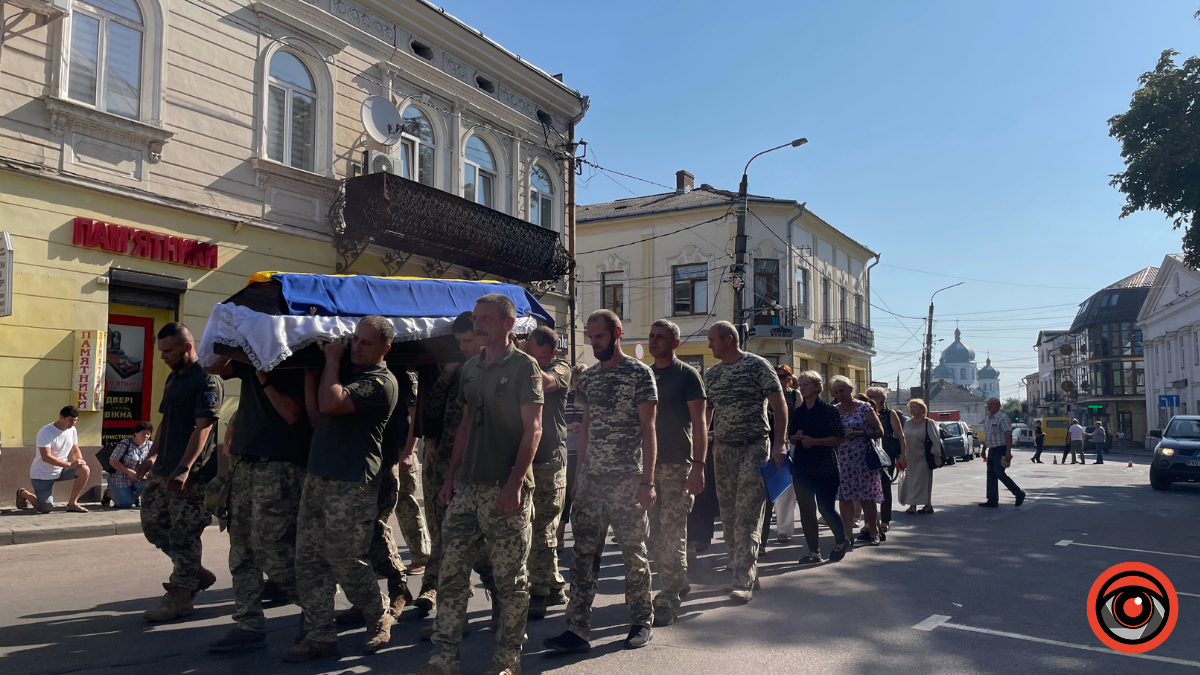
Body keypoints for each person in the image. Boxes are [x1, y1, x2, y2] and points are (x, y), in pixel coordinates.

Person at [416, 295, 543, 675]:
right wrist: (451, 478)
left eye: (486, 318)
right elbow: (465, 426)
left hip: (504, 487)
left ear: (509, 323)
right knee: (451, 573)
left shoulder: (525, 367)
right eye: (476, 318)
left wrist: (514, 483)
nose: (478, 324)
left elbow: (533, 430)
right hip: (467, 487)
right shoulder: (471, 368)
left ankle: (507, 659)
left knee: (510, 580)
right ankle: (444, 658)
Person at [543, 309, 657, 655]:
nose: (594, 343)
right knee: (583, 555)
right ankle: (576, 629)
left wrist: (647, 481)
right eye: (591, 338)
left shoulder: (640, 374)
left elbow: (649, 428)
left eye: (600, 337)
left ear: (617, 334)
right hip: (592, 481)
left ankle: (641, 620)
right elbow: (587, 428)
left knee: (633, 553)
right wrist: (579, 478)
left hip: (627, 480)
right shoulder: (589, 378)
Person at [286, 316, 399, 662]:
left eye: (366, 342)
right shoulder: (347, 376)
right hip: (319, 476)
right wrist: (312, 375)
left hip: (352, 483)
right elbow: (318, 415)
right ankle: (320, 633)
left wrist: (332, 360)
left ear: (385, 348)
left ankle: (379, 615)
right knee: (309, 560)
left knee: (345, 560)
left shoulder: (381, 382)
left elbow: (332, 403)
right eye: (355, 340)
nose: (357, 347)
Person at [202, 356, 309, 653]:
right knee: (241, 551)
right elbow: (212, 365)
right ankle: (249, 623)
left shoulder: (294, 357)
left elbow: (293, 413)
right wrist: (230, 338)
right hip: (245, 465)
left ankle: (316, 611)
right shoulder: (250, 355)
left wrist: (264, 376)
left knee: (272, 549)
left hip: (279, 465)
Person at [139, 323, 223, 623]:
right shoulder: (174, 377)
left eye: (168, 351)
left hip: (191, 475)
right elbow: (165, 420)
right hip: (163, 468)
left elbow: (204, 428)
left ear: (187, 347)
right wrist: (152, 455)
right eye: (161, 351)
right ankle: (194, 572)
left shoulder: (207, 379)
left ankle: (181, 597)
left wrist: (185, 469)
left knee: (184, 534)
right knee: (152, 525)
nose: (163, 357)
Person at [706, 321, 787, 603]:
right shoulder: (712, 374)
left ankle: (742, 582)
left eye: (712, 339)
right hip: (722, 450)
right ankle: (746, 571)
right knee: (728, 516)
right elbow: (707, 413)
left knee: (747, 515)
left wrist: (780, 443)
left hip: (754, 447)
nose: (709, 345)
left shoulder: (758, 365)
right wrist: (701, 446)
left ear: (728, 339)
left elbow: (779, 406)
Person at [336, 364, 418, 627]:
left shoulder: (394, 373)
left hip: (384, 460)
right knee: (360, 535)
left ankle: (398, 587)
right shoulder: (352, 370)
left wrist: (408, 451)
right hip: (356, 462)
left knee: (375, 528)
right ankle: (366, 600)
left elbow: (414, 414)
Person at [415, 311, 479, 619]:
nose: (464, 348)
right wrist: (447, 374)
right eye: (459, 343)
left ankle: (457, 593)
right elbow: (431, 409)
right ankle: (434, 587)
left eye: (468, 341)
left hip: (475, 465)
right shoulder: (458, 371)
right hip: (444, 459)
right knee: (441, 529)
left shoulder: (489, 370)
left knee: (464, 537)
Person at [645, 319, 706, 627]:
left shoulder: (687, 375)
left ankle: (668, 598)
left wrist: (699, 466)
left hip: (677, 465)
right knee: (653, 534)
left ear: (675, 343)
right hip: (648, 466)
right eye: (652, 336)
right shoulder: (645, 375)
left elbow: (700, 423)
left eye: (661, 337)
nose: (654, 341)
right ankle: (678, 581)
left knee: (672, 533)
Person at [521, 325, 572, 620]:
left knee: (542, 529)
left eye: (539, 356)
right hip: (527, 459)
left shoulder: (561, 367)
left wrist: (521, 357)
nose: (534, 360)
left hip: (551, 461)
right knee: (537, 529)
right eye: (531, 354)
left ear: (552, 353)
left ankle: (539, 591)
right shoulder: (524, 362)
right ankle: (553, 585)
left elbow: (545, 382)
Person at [788, 370, 849, 563]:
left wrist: (815, 441)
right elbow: (790, 437)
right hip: (802, 466)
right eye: (800, 384)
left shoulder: (829, 411)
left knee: (825, 508)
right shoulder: (798, 412)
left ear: (817, 387)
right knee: (806, 511)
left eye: (806, 384)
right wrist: (795, 437)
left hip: (826, 466)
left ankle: (841, 541)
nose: (802, 388)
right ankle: (813, 552)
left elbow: (839, 438)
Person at [829, 376, 885, 545]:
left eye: (842, 390)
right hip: (842, 459)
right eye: (836, 392)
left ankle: (874, 531)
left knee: (867, 498)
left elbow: (879, 431)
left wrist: (858, 433)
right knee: (845, 497)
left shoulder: (864, 407)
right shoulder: (834, 410)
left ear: (851, 389)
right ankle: (847, 534)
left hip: (863, 459)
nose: (840, 395)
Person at [391, 366, 430, 575]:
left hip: (401, 448)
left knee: (406, 503)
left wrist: (408, 451)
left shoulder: (403, 375)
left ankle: (421, 556)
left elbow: (415, 416)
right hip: (382, 449)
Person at [16, 406, 90, 514]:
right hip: (42, 474)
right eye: (70, 420)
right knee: (45, 509)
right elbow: (46, 457)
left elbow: (75, 450)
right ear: (61, 417)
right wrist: (70, 464)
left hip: (61, 470)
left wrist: (80, 461)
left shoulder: (72, 430)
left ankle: (72, 504)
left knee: (84, 470)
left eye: (75, 420)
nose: (73, 423)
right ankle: (23, 493)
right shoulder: (46, 432)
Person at [865, 386, 904, 537]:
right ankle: (869, 522)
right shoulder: (864, 412)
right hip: (868, 454)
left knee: (884, 487)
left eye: (874, 396)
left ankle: (885, 520)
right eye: (868, 395)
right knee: (867, 489)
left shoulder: (889, 414)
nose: (871, 398)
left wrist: (903, 455)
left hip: (886, 456)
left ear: (881, 398)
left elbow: (900, 435)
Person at [556, 363, 587, 550]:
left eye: (582, 381)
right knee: (566, 493)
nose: (578, 384)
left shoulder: (590, 400)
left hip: (584, 452)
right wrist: (569, 426)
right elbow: (558, 421)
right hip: (567, 451)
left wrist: (583, 426)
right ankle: (559, 534)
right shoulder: (565, 398)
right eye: (576, 381)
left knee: (581, 494)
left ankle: (581, 538)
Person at [980, 397, 1026, 508]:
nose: (989, 406)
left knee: (999, 473)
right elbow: (988, 435)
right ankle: (992, 500)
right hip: (992, 449)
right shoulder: (988, 419)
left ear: (998, 406)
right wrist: (984, 449)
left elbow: (1008, 434)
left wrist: (1008, 452)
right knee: (990, 475)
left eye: (992, 404)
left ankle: (1018, 493)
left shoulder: (1002, 418)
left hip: (1001, 449)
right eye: (988, 404)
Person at [899, 399, 940, 514]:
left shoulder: (928, 423)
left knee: (923, 482)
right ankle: (920, 505)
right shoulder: (908, 423)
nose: (912, 409)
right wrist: (902, 455)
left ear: (922, 409)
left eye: (915, 407)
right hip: (910, 457)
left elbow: (935, 440)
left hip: (923, 458)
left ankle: (919, 505)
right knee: (911, 482)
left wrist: (937, 455)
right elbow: (903, 439)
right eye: (911, 407)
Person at [107, 422, 153, 509]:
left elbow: (154, 461)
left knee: (151, 484)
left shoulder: (150, 445)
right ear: (136, 433)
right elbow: (113, 461)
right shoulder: (126, 443)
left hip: (139, 478)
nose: (146, 436)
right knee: (125, 504)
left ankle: (134, 497)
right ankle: (109, 493)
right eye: (143, 433)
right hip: (121, 478)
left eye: (148, 434)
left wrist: (147, 473)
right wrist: (128, 471)